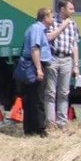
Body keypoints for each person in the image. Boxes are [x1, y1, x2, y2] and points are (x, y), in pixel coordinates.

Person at [45, 0, 80, 129]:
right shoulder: (52, 22)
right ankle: (50, 122)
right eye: (70, 8)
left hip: (67, 59)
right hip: (53, 59)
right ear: (62, 9)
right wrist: (62, 27)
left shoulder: (73, 24)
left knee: (64, 92)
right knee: (50, 92)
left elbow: (75, 45)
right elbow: (48, 38)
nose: (73, 11)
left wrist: (76, 65)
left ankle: (62, 122)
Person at [20, 8, 54, 136]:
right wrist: (39, 69)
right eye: (52, 16)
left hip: (34, 65)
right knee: (38, 98)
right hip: (35, 65)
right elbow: (35, 49)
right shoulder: (37, 29)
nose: (53, 19)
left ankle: (30, 129)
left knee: (31, 97)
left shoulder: (39, 29)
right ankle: (40, 129)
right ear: (45, 17)